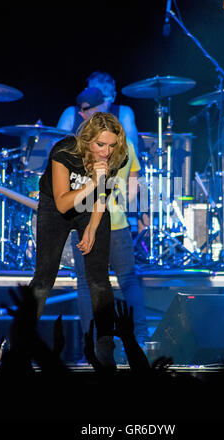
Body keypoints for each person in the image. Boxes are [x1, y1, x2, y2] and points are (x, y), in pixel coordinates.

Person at [29, 112, 128, 367]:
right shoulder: (64, 152)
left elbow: (102, 196)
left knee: (98, 279)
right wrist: (94, 181)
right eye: (100, 145)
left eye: (111, 145)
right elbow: (63, 204)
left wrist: (93, 227)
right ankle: (22, 344)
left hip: (91, 205)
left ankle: (105, 348)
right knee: (43, 279)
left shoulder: (116, 156)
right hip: (55, 204)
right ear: (87, 140)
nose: (106, 152)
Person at [58, 86, 149, 362]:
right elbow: (133, 187)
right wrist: (121, 202)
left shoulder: (77, 149)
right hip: (117, 223)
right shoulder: (125, 145)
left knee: (87, 285)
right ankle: (141, 340)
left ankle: (93, 347)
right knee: (129, 280)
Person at [57, 70, 139, 154]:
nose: (101, 104)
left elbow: (132, 150)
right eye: (95, 97)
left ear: (113, 97)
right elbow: (57, 148)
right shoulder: (71, 113)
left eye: (105, 97)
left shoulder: (124, 113)